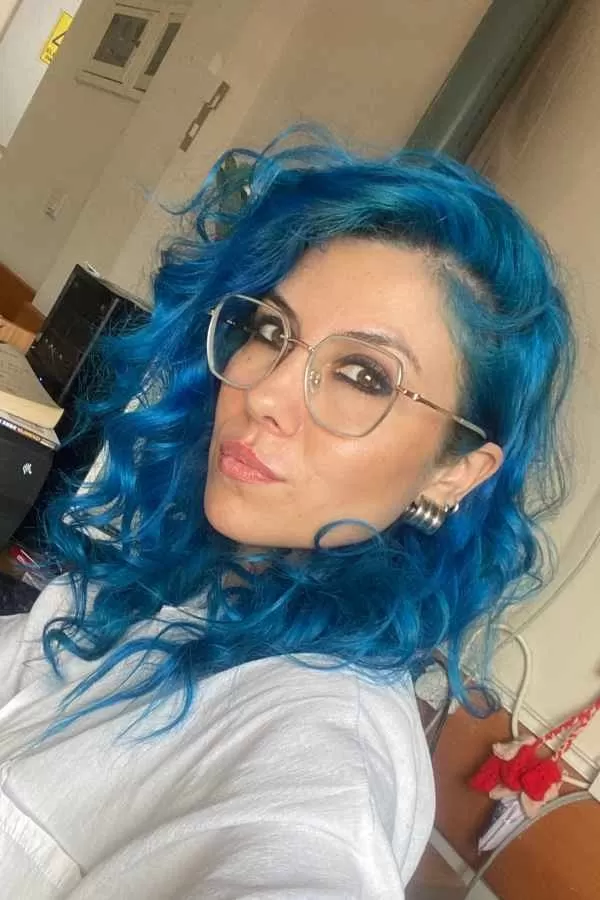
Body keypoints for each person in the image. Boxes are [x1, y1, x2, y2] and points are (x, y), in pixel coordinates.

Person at [0, 129, 574, 899]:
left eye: (363, 375)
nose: (263, 391)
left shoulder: (327, 749)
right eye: (271, 331)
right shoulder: (182, 587)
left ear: (453, 473)